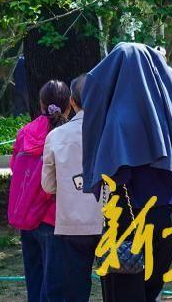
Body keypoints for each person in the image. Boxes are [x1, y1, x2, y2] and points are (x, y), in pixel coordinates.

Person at [82, 42, 172, 302]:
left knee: (123, 290)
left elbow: (108, 166)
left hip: (126, 213)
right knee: (152, 290)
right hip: (167, 212)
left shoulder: (117, 116)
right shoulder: (169, 109)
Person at [41, 75, 104, 302]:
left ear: (72, 102)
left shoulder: (56, 136)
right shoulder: (111, 131)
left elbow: (47, 185)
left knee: (73, 292)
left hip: (71, 224)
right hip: (109, 220)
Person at [8, 80, 70, 302]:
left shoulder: (25, 132)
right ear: (69, 105)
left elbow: (15, 167)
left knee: (34, 283)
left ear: (41, 104)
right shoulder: (66, 134)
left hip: (27, 216)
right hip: (54, 217)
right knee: (54, 286)